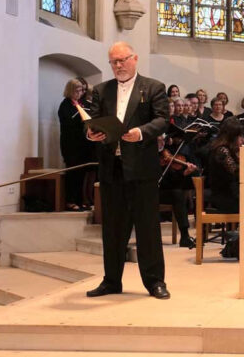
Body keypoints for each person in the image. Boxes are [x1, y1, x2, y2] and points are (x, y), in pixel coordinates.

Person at [85, 41, 170, 299]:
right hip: (112, 168)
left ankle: (155, 282)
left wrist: (141, 132)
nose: (118, 66)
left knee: (147, 228)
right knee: (112, 228)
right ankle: (111, 280)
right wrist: (91, 133)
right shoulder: (101, 90)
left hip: (142, 169)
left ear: (134, 59)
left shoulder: (153, 87)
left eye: (122, 60)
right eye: (114, 62)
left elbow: (162, 119)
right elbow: (93, 120)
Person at [58, 78, 93, 211]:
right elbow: (67, 122)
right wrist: (80, 115)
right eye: (77, 91)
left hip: (83, 144)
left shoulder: (82, 103)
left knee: (81, 173)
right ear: (70, 91)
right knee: (73, 173)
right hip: (70, 144)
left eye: (81, 91)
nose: (80, 93)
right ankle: (70, 200)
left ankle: (80, 200)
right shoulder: (65, 104)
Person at [157, 133, 197, 248]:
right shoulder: (148, 154)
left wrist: (184, 173)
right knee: (176, 193)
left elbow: (172, 182)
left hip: (162, 191)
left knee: (178, 194)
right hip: (148, 191)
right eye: (159, 140)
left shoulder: (166, 153)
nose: (162, 143)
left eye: (163, 140)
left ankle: (184, 236)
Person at [207, 118, 244, 213]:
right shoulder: (222, 150)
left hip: (230, 192)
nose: (242, 140)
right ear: (232, 137)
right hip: (224, 196)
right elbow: (236, 172)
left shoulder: (228, 149)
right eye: (240, 136)